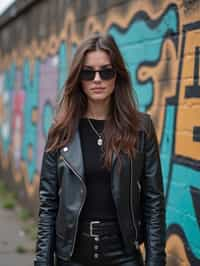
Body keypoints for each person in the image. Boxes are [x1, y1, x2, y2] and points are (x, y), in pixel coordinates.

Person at [34, 33, 166, 266]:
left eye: (106, 71)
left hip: (123, 255)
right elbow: (48, 204)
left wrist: (156, 261)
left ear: (117, 76)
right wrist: (42, 262)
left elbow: (153, 201)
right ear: (79, 78)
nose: (97, 79)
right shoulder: (61, 130)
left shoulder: (141, 128)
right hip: (72, 256)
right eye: (88, 72)